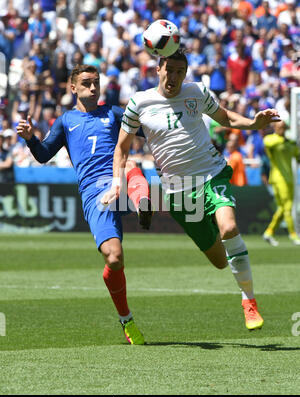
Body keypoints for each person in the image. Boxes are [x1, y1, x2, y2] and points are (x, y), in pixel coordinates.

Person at [102, 49, 282, 333]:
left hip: (212, 173)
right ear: (158, 68)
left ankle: (249, 301)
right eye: (169, 69)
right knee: (221, 262)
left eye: (179, 71)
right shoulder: (140, 102)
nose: (173, 76)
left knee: (230, 228)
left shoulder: (197, 92)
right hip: (179, 191)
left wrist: (253, 123)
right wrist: (116, 183)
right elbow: (121, 149)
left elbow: (225, 118)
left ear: (185, 75)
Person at [16, 64, 153, 345]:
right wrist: (31, 138)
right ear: (73, 88)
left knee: (129, 164)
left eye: (96, 83)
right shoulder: (66, 121)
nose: (93, 88)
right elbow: (43, 155)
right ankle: (126, 320)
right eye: (87, 83)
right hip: (95, 193)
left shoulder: (114, 114)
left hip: (119, 177)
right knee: (114, 258)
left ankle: (143, 204)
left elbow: (149, 132)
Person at [263, 120, 300, 246]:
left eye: (283, 127)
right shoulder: (271, 139)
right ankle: (293, 234)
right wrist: (286, 141)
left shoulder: (290, 143)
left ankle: (269, 232)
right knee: (287, 207)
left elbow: (298, 156)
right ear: (275, 127)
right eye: (279, 127)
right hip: (278, 178)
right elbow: (267, 144)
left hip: (290, 178)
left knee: (282, 208)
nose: (281, 129)